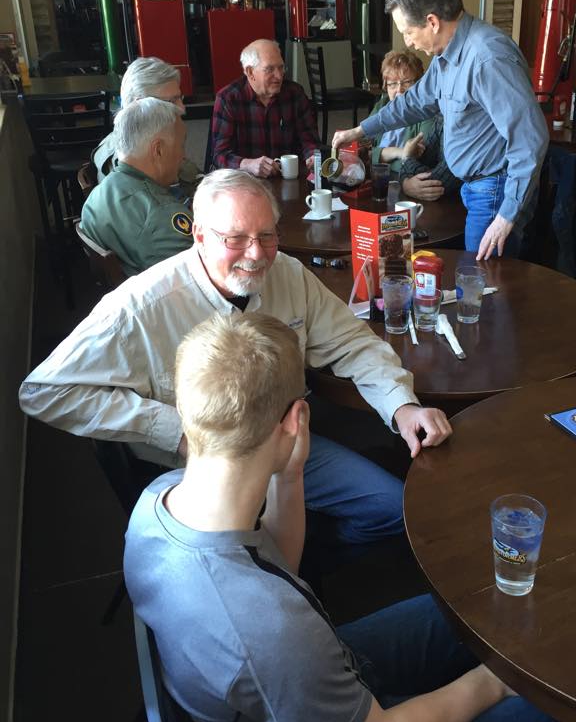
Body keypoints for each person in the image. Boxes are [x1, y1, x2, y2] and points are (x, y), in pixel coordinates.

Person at [125, 310, 576, 722]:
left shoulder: (158, 501)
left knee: (472, 608)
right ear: (297, 420)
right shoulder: (269, 629)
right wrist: (494, 683)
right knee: (567, 709)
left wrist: (290, 475)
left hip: (302, 685)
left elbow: (278, 571)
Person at [19, 169, 451, 547]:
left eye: (267, 235)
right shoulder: (141, 307)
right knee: (238, 569)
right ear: (199, 236)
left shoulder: (287, 273)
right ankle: (276, 559)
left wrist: (402, 404)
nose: (257, 254)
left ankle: (306, 554)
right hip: (199, 470)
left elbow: (351, 342)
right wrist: (175, 430)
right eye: (235, 239)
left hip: (287, 445)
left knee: (394, 510)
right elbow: (43, 391)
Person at [332, 0, 549, 260]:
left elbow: (530, 139)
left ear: (432, 22)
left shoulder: (488, 58)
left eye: (408, 32)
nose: (408, 42)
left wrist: (507, 215)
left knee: (483, 282)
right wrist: (359, 131)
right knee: (476, 278)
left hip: (495, 192)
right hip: (475, 189)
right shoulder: (446, 55)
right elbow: (413, 102)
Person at [80, 97, 193, 276]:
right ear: (158, 150)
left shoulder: (99, 191)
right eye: (181, 146)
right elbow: (196, 280)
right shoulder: (162, 214)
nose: (184, 156)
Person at [210, 39, 321, 176]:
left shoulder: (294, 94)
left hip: (288, 177)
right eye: (270, 69)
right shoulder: (229, 99)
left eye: (281, 67)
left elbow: (309, 139)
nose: (279, 76)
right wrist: (247, 164)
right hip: (245, 180)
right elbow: (219, 155)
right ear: (250, 72)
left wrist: (312, 156)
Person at [370, 50, 460, 203]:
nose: (399, 90)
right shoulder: (383, 105)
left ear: (420, 84)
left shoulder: (427, 112)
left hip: (410, 184)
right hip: (380, 182)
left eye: (406, 82)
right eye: (392, 84)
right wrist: (397, 152)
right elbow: (361, 151)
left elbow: (421, 156)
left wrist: (378, 157)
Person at [92, 56, 198, 186]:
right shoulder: (129, 162)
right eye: (171, 101)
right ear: (139, 105)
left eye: (180, 98)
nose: (182, 108)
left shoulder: (140, 143)